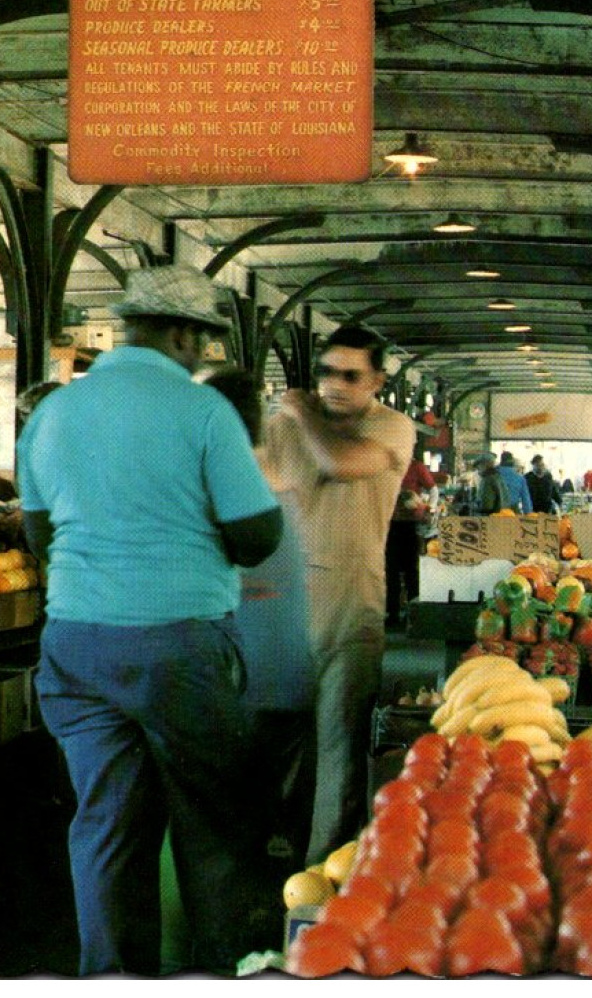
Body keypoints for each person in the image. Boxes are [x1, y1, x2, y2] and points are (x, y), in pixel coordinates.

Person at [19, 265, 283, 975]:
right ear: (179, 334)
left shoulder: (53, 412)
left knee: (106, 826)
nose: (205, 357)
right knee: (214, 827)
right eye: (203, 342)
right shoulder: (201, 412)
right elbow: (256, 535)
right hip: (178, 643)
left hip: (73, 646)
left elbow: (37, 536)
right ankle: (222, 972)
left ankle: (111, 979)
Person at [260, 325, 415, 866]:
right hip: (282, 606)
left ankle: (323, 870)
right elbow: (253, 481)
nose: (335, 385)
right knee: (278, 739)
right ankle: (277, 844)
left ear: (376, 380)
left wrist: (300, 415)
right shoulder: (284, 426)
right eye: (327, 372)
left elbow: (340, 463)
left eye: (351, 375)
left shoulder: (391, 429)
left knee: (338, 745)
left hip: (352, 606)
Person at [199, 366, 317, 872]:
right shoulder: (286, 470)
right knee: (280, 744)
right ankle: (278, 834)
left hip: (243, 639)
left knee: (234, 751)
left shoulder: (221, 476)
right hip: (290, 636)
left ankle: (242, 846)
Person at [385, 453, 437, 623]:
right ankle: (392, 613)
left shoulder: (416, 467)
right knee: (391, 571)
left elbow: (433, 489)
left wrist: (430, 507)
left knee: (411, 572)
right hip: (389, 524)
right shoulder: (384, 465)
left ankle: (413, 615)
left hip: (411, 525)